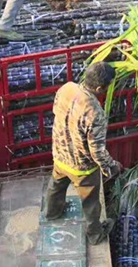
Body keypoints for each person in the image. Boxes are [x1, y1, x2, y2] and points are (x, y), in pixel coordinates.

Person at [44, 62, 123, 245]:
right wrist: (111, 166)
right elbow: (97, 151)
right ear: (98, 87)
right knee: (90, 201)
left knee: (56, 186)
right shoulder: (95, 112)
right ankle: (95, 234)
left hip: (59, 154)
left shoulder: (66, 88)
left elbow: (56, 111)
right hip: (81, 167)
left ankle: (52, 212)